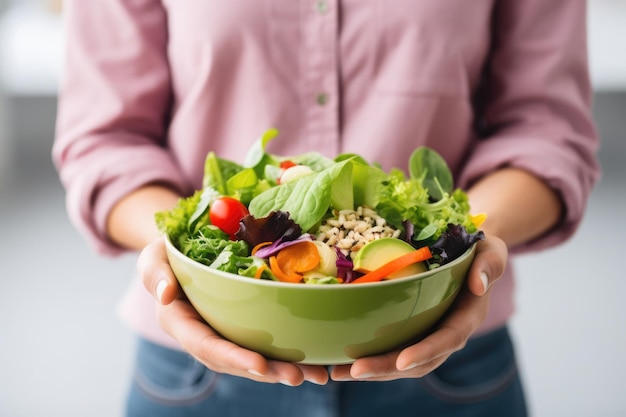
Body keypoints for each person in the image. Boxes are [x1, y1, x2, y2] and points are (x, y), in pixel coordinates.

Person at [52, 1, 600, 416]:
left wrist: (459, 251)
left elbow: (548, 131)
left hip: (446, 360)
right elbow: (105, 138)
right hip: (200, 367)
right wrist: (181, 258)